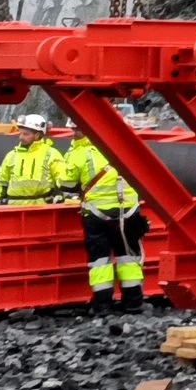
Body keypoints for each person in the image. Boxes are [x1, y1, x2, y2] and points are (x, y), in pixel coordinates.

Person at [59, 125, 147, 312]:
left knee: (100, 261)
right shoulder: (123, 145)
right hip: (128, 212)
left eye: (76, 129)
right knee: (128, 258)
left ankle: (102, 304)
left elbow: (67, 186)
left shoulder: (78, 153)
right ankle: (134, 302)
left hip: (97, 215)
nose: (74, 133)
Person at [0, 114, 63, 205]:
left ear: (37, 135)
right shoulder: (11, 155)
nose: (21, 137)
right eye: (20, 133)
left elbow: (63, 179)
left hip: (41, 211)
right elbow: (0, 183)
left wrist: (62, 197)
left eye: (25, 134)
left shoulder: (51, 154)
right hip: (13, 211)